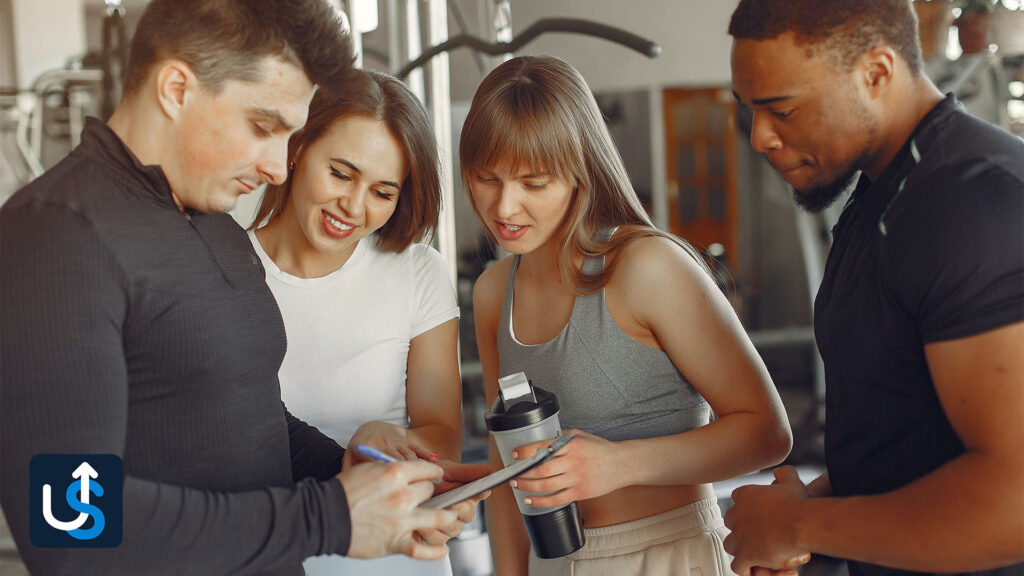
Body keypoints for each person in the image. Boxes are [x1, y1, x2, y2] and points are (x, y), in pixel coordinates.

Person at [0, 1, 488, 574]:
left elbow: (248, 419)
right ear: (177, 88)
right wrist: (329, 514)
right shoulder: (59, 234)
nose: (280, 168)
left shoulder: (213, 224)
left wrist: (359, 472)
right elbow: (67, 525)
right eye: (263, 127)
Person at [462, 55, 794, 576]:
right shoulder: (491, 294)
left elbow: (768, 433)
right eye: (487, 178)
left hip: (663, 556)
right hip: (550, 564)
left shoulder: (646, 267)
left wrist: (621, 464)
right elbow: (507, 464)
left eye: (534, 182)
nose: (504, 207)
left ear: (579, 172)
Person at [724, 1, 1024, 575]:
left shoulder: (972, 204)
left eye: (781, 109)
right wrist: (809, 512)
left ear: (877, 73)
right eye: (750, 111)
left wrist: (795, 525)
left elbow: (1015, 500)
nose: (761, 137)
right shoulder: (884, 195)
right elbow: (908, 437)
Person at [247, 69, 464, 576]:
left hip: (400, 555)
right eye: (341, 173)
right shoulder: (224, 269)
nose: (353, 206)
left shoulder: (416, 270)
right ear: (298, 146)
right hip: (276, 553)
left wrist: (380, 435)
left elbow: (445, 437)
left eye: (382, 192)